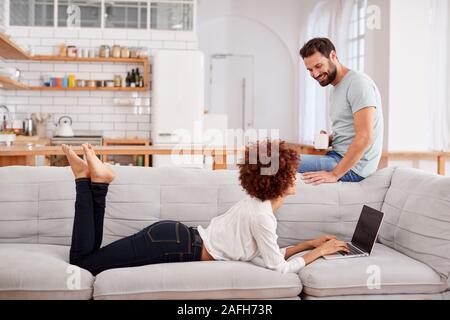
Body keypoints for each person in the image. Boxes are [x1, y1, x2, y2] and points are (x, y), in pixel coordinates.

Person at [64, 141, 348, 276]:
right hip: (171, 246)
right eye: (292, 174)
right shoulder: (262, 216)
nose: (296, 177)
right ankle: (89, 182)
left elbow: (269, 253)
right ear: (279, 182)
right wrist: (319, 252)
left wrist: (309, 244)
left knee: (90, 258)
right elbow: (278, 268)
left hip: (172, 238)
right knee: (81, 263)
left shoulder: (257, 206)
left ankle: (93, 181)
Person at [298, 37, 384, 185]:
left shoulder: (358, 83)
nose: (315, 74)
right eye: (310, 70)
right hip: (336, 156)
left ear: (333, 56)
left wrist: (334, 175)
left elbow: (365, 137)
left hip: (354, 168)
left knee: (275, 161)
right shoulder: (335, 88)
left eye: (318, 66)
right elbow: (350, 128)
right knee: (271, 159)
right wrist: (330, 138)